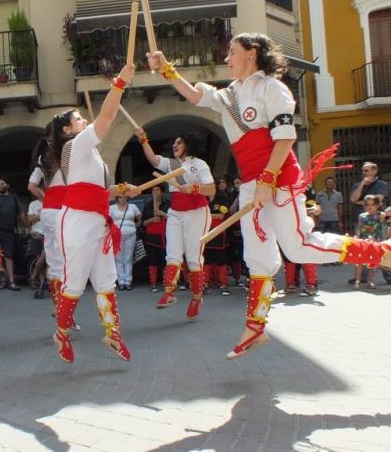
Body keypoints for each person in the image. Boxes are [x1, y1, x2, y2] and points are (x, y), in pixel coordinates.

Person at [148, 33, 391, 359]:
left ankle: (378, 252)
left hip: (278, 178)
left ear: (251, 53)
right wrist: (166, 69)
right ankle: (255, 326)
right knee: (257, 255)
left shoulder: (272, 89)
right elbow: (194, 95)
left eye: (232, 52)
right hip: (252, 181)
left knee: (299, 246)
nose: (227, 59)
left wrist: (267, 180)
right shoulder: (229, 95)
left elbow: (285, 138)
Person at [49, 62, 140, 363]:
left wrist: (121, 190)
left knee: (106, 280)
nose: (83, 120)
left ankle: (112, 334)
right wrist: (120, 82)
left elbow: (101, 191)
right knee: (74, 282)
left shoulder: (90, 152)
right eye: (78, 119)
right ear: (67, 129)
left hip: (98, 220)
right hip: (76, 219)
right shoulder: (75, 145)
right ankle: (61, 332)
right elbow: (107, 115)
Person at [138, 129, 215, 321]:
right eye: (173, 143)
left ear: (188, 145)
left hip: (197, 212)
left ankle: (197, 297)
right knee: (172, 254)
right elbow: (154, 160)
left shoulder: (199, 164)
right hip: (175, 212)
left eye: (179, 142)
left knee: (193, 258)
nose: (175, 146)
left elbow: (211, 189)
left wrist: (195, 187)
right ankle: (169, 292)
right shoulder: (170, 164)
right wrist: (143, 138)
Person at [28, 135, 72, 323]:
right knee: (66, 260)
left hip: (48, 211)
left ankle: (58, 306)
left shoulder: (43, 158)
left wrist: (46, 199)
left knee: (54, 260)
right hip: (65, 210)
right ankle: (65, 307)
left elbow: (31, 186)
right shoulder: (66, 155)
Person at [0, 178, 28, 290]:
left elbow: (21, 213)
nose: (0, 185)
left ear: (7, 185)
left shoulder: (13, 197)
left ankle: (11, 281)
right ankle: (3, 279)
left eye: (2, 183)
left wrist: (27, 226)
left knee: (8, 256)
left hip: (10, 230)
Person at [141, 185, 170, 292]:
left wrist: (162, 214)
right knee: (152, 261)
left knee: (165, 260)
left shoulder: (168, 203)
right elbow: (143, 223)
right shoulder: (148, 204)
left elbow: (175, 218)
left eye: (157, 190)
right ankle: (153, 283)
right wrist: (151, 220)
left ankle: (167, 283)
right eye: (153, 190)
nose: (155, 192)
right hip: (151, 237)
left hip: (165, 236)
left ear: (162, 192)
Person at [109, 195, 141, 290]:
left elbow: (139, 217)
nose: (122, 199)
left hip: (130, 234)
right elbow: (107, 221)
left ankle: (128, 281)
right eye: (120, 197)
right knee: (118, 259)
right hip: (116, 236)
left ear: (127, 198)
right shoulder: (112, 208)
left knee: (128, 258)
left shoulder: (133, 207)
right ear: (117, 198)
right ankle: (120, 281)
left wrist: (136, 226)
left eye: (124, 197)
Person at [354, 195, 385, 290]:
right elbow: (359, 227)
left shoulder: (381, 215)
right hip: (363, 241)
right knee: (359, 262)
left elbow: (387, 222)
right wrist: (357, 236)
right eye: (367, 204)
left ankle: (370, 281)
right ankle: (357, 280)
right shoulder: (362, 216)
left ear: (378, 205)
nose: (369, 207)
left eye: (373, 204)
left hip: (375, 242)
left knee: (371, 262)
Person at [349, 162, 388, 227]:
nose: (363, 173)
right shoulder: (356, 185)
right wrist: (361, 184)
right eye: (362, 171)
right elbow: (353, 199)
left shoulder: (382, 184)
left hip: (377, 219)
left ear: (374, 171)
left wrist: (358, 202)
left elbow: (376, 200)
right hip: (360, 219)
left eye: (366, 170)